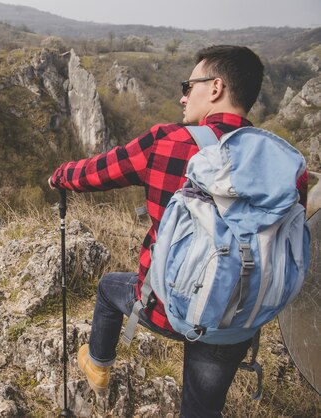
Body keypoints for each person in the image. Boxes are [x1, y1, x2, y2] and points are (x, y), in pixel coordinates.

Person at [48, 45, 308, 417]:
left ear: (215, 88)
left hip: (166, 308)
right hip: (238, 317)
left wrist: (60, 176)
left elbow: (98, 172)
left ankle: (98, 363)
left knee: (108, 289)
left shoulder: (168, 143)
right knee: (201, 410)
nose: (182, 96)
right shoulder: (285, 165)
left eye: (189, 85)